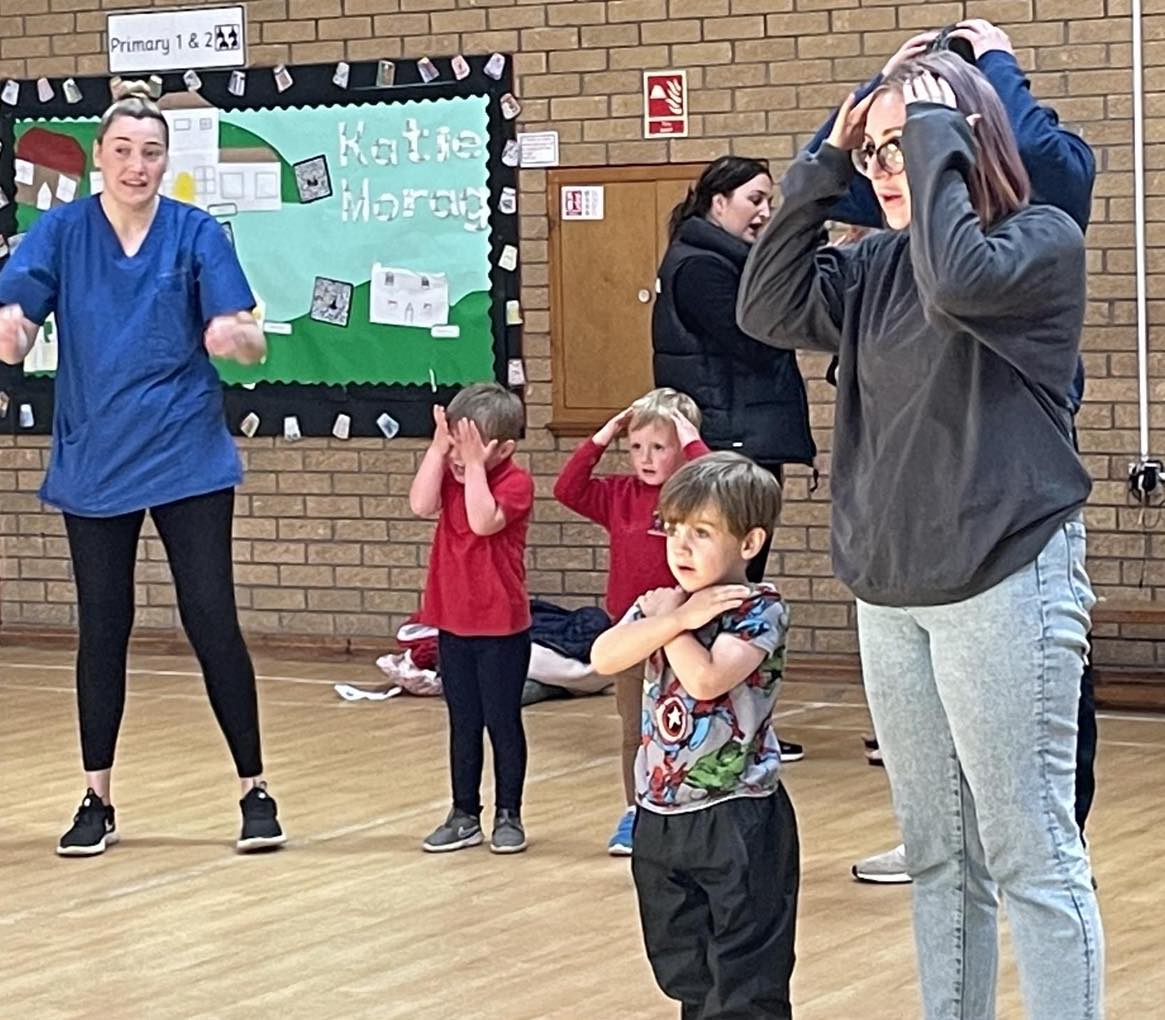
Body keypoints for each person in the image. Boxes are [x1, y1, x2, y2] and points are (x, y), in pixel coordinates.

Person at [738, 52, 1103, 1019]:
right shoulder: (870, 268)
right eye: (876, 152)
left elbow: (958, 285)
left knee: (1028, 851)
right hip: (892, 590)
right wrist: (825, 161)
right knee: (939, 855)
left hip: (1004, 577)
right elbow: (764, 306)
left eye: (903, 145)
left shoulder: (1040, 241)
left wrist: (937, 132)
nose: (886, 168)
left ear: (963, 137)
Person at [809, 19, 1100, 886]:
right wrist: (880, 84)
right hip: (911, 522)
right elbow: (847, 164)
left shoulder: (1039, 212)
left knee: (1026, 821)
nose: (892, 161)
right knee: (943, 827)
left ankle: (1052, 832)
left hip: (1000, 486)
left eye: (915, 133)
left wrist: (994, 62)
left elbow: (1040, 165)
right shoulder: (891, 226)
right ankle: (963, 835)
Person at [0, 81, 285, 857]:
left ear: (166, 160)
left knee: (211, 617)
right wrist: (14, 330)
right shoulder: (61, 231)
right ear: (100, 156)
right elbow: (15, 318)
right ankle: (96, 798)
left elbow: (246, 336)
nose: (137, 165)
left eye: (151, 152)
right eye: (123, 150)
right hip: (96, 456)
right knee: (103, 626)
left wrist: (237, 339)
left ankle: (254, 789)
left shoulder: (195, 232)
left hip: (185, 452)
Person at [591, 452, 798, 1019]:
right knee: (686, 967)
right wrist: (671, 617)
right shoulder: (663, 606)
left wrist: (676, 624)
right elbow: (604, 656)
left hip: (736, 814)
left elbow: (706, 679)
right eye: (673, 529)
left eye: (701, 532)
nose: (680, 546)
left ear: (749, 542)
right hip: (661, 813)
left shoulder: (758, 609)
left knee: (744, 976)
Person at [653, 160, 814, 763]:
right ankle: (710, 721)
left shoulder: (726, 261)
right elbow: (757, 339)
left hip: (746, 436)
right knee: (721, 588)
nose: (765, 212)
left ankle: (740, 720)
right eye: (755, 199)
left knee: (736, 587)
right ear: (718, 203)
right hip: (729, 441)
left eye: (770, 201)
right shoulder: (700, 267)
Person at [553, 387, 709, 857]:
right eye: (636, 446)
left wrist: (692, 441)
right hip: (632, 634)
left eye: (659, 446)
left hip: (686, 633)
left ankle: (690, 809)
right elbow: (567, 489)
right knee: (634, 729)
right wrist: (602, 436)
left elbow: (719, 482)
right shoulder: (618, 495)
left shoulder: (694, 496)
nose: (645, 457)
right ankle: (635, 810)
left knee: (689, 726)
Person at [409, 382, 534, 854]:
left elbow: (483, 522)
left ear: (504, 449)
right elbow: (420, 505)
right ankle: (464, 814)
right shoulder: (450, 473)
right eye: (456, 449)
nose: (459, 462)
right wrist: (438, 451)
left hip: (502, 629)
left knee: (502, 722)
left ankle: (508, 814)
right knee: (463, 723)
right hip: (453, 625)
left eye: (471, 450)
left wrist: (476, 469)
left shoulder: (515, 483)